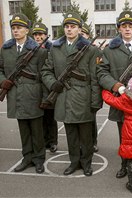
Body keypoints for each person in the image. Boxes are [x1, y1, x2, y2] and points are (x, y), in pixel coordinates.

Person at [41, 12, 102, 176]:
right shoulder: (56, 48)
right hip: (63, 96)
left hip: (83, 97)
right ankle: (74, 162)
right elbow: (46, 70)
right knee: (71, 134)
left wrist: (96, 102)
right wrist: (53, 84)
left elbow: (95, 78)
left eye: (73, 27)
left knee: (86, 135)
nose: (69, 29)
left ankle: (86, 163)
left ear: (79, 29)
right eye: (67, 26)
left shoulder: (89, 49)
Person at [97, 10, 132, 179]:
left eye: (130, 26)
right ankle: (124, 164)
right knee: (124, 136)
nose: (127, 29)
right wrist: (115, 86)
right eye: (124, 26)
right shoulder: (110, 50)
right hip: (122, 100)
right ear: (119, 29)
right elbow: (101, 73)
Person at [0, 13, 47, 173]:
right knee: (24, 130)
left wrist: (45, 98)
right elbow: (0, 69)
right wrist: (2, 81)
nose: (15, 31)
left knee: (37, 131)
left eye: (19, 28)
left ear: (27, 30)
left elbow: (44, 74)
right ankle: (27, 157)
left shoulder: (38, 50)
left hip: (33, 95)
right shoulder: (6, 49)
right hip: (16, 95)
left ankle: (39, 159)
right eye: (13, 28)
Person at [32, 22, 58, 153]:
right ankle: (43, 141)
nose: (38, 37)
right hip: (35, 88)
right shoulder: (30, 49)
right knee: (39, 118)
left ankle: (52, 141)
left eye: (40, 34)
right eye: (35, 34)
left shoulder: (52, 49)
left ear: (46, 35)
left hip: (48, 87)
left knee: (50, 117)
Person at [80, 22, 99, 153]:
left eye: (83, 34)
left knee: (91, 119)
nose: (81, 36)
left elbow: (97, 70)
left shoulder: (93, 50)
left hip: (91, 88)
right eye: (80, 34)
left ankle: (93, 141)